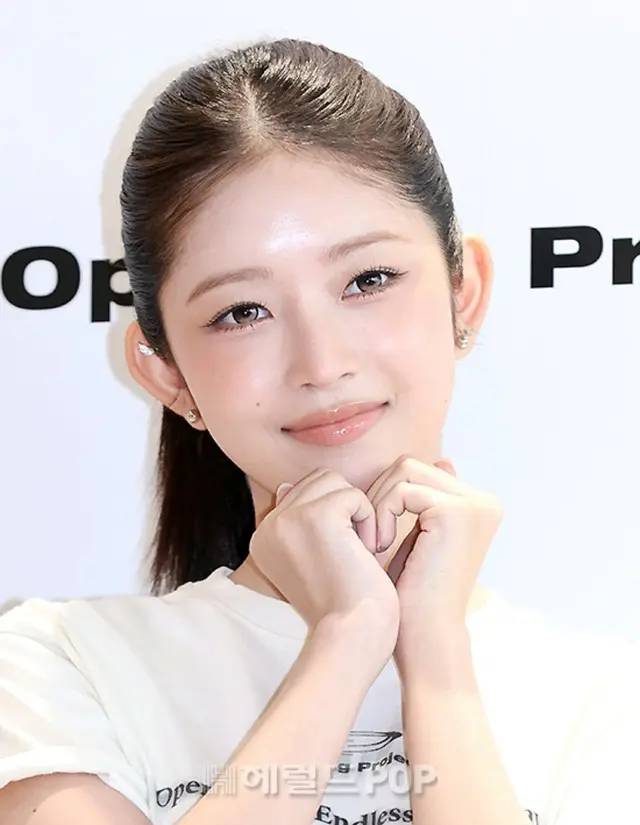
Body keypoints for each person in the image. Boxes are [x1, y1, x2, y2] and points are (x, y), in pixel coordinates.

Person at [0, 37, 638, 825]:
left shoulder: (604, 703)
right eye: (242, 311)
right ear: (167, 375)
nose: (322, 362)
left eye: (368, 280)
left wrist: (435, 658)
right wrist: (344, 639)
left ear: (464, 293)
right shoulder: (61, 668)